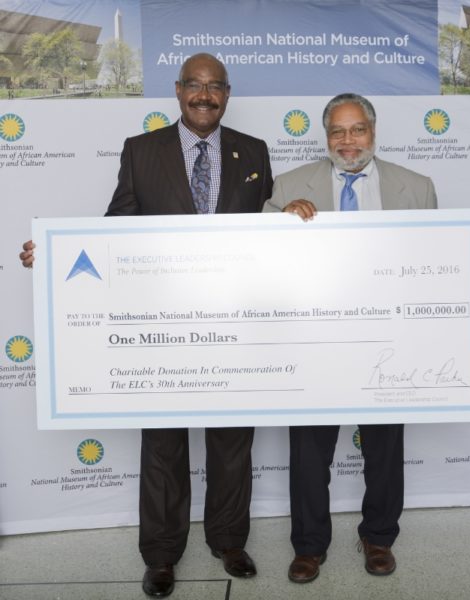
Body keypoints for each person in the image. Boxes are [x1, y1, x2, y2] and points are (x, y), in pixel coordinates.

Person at [20, 53, 273, 598]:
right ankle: (161, 554)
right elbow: (117, 228)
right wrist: (57, 254)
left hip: (236, 319)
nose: (204, 96)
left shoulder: (253, 152)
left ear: (227, 93)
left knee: (233, 439)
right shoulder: (142, 151)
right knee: (163, 441)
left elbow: (270, 236)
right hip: (161, 322)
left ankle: (229, 539)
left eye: (215, 87)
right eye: (194, 86)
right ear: (177, 90)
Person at [265, 92, 470, 584]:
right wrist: (283, 220)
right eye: (338, 132)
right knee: (309, 451)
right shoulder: (289, 186)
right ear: (325, 136)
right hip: (317, 341)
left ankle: (378, 537)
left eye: (358, 131)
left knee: (384, 447)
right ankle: (309, 546)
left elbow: (438, 260)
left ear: (373, 132)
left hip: (390, 341)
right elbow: (260, 254)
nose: (348, 141)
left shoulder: (416, 187)